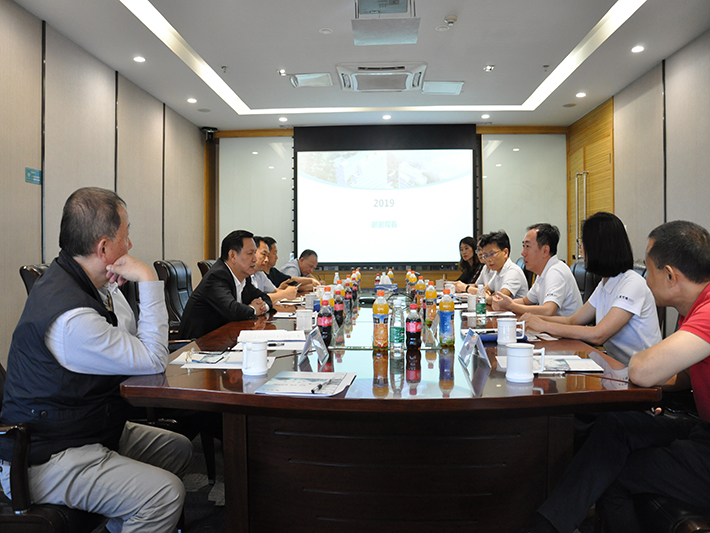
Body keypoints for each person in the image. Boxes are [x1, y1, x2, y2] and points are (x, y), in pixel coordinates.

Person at [0, 187, 192, 533]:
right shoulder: (72, 318)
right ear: (103, 248)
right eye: (126, 235)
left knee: (176, 448)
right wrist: (150, 281)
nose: (130, 244)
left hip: (83, 428)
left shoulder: (79, 281)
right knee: (164, 494)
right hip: (46, 456)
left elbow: (129, 343)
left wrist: (112, 289)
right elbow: (152, 359)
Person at [519, 220, 710, 533]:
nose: (646, 279)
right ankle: (548, 525)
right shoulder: (692, 308)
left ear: (670, 275)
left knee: (611, 472)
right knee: (615, 425)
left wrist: (641, 375)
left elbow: (642, 369)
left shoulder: (707, 311)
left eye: (649, 270)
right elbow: (686, 377)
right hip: (700, 426)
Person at [521, 213, 661, 366]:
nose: (581, 250)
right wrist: (533, 320)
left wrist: (544, 325)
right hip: (616, 367)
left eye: (583, 244)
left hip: (644, 372)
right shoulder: (605, 284)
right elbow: (572, 321)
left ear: (598, 247)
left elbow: (598, 335)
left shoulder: (632, 284)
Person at [179, 230, 272, 339]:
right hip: (200, 343)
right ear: (232, 255)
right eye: (250, 253)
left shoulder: (243, 278)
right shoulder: (216, 276)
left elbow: (265, 298)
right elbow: (232, 310)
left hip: (224, 339)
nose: (254, 259)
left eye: (255, 253)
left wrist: (263, 306)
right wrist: (254, 309)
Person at [492, 223, 582, 317]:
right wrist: (503, 303)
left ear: (545, 251)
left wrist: (511, 306)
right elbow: (525, 301)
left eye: (527, 246)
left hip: (565, 326)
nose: (523, 253)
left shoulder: (555, 271)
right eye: (523, 246)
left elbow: (548, 311)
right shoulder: (543, 272)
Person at [462, 231, 528, 302]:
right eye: (486, 255)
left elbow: (498, 299)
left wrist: (486, 297)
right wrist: (486, 295)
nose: (488, 259)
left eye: (492, 254)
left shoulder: (513, 272)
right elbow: (483, 291)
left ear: (505, 253)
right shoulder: (498, 272)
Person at [252, 236, 299, 303]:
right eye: (263, 254)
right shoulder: (245, 275)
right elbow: (257, 300)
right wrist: (284, 294)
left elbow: (274, 291)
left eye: (267, 256)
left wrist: (286, 291)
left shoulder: (260, 273)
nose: (266, 260)